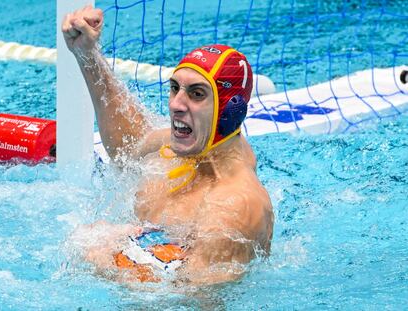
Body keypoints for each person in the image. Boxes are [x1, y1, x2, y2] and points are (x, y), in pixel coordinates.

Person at [62, 5, 274, 286]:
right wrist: (88, 55)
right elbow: (128, 148)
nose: (175, 104)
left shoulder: (232, 207)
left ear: (229, 111)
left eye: (197, 94)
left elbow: (191, 300)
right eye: (175, 88)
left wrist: (103, 254)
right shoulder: (192, 147)